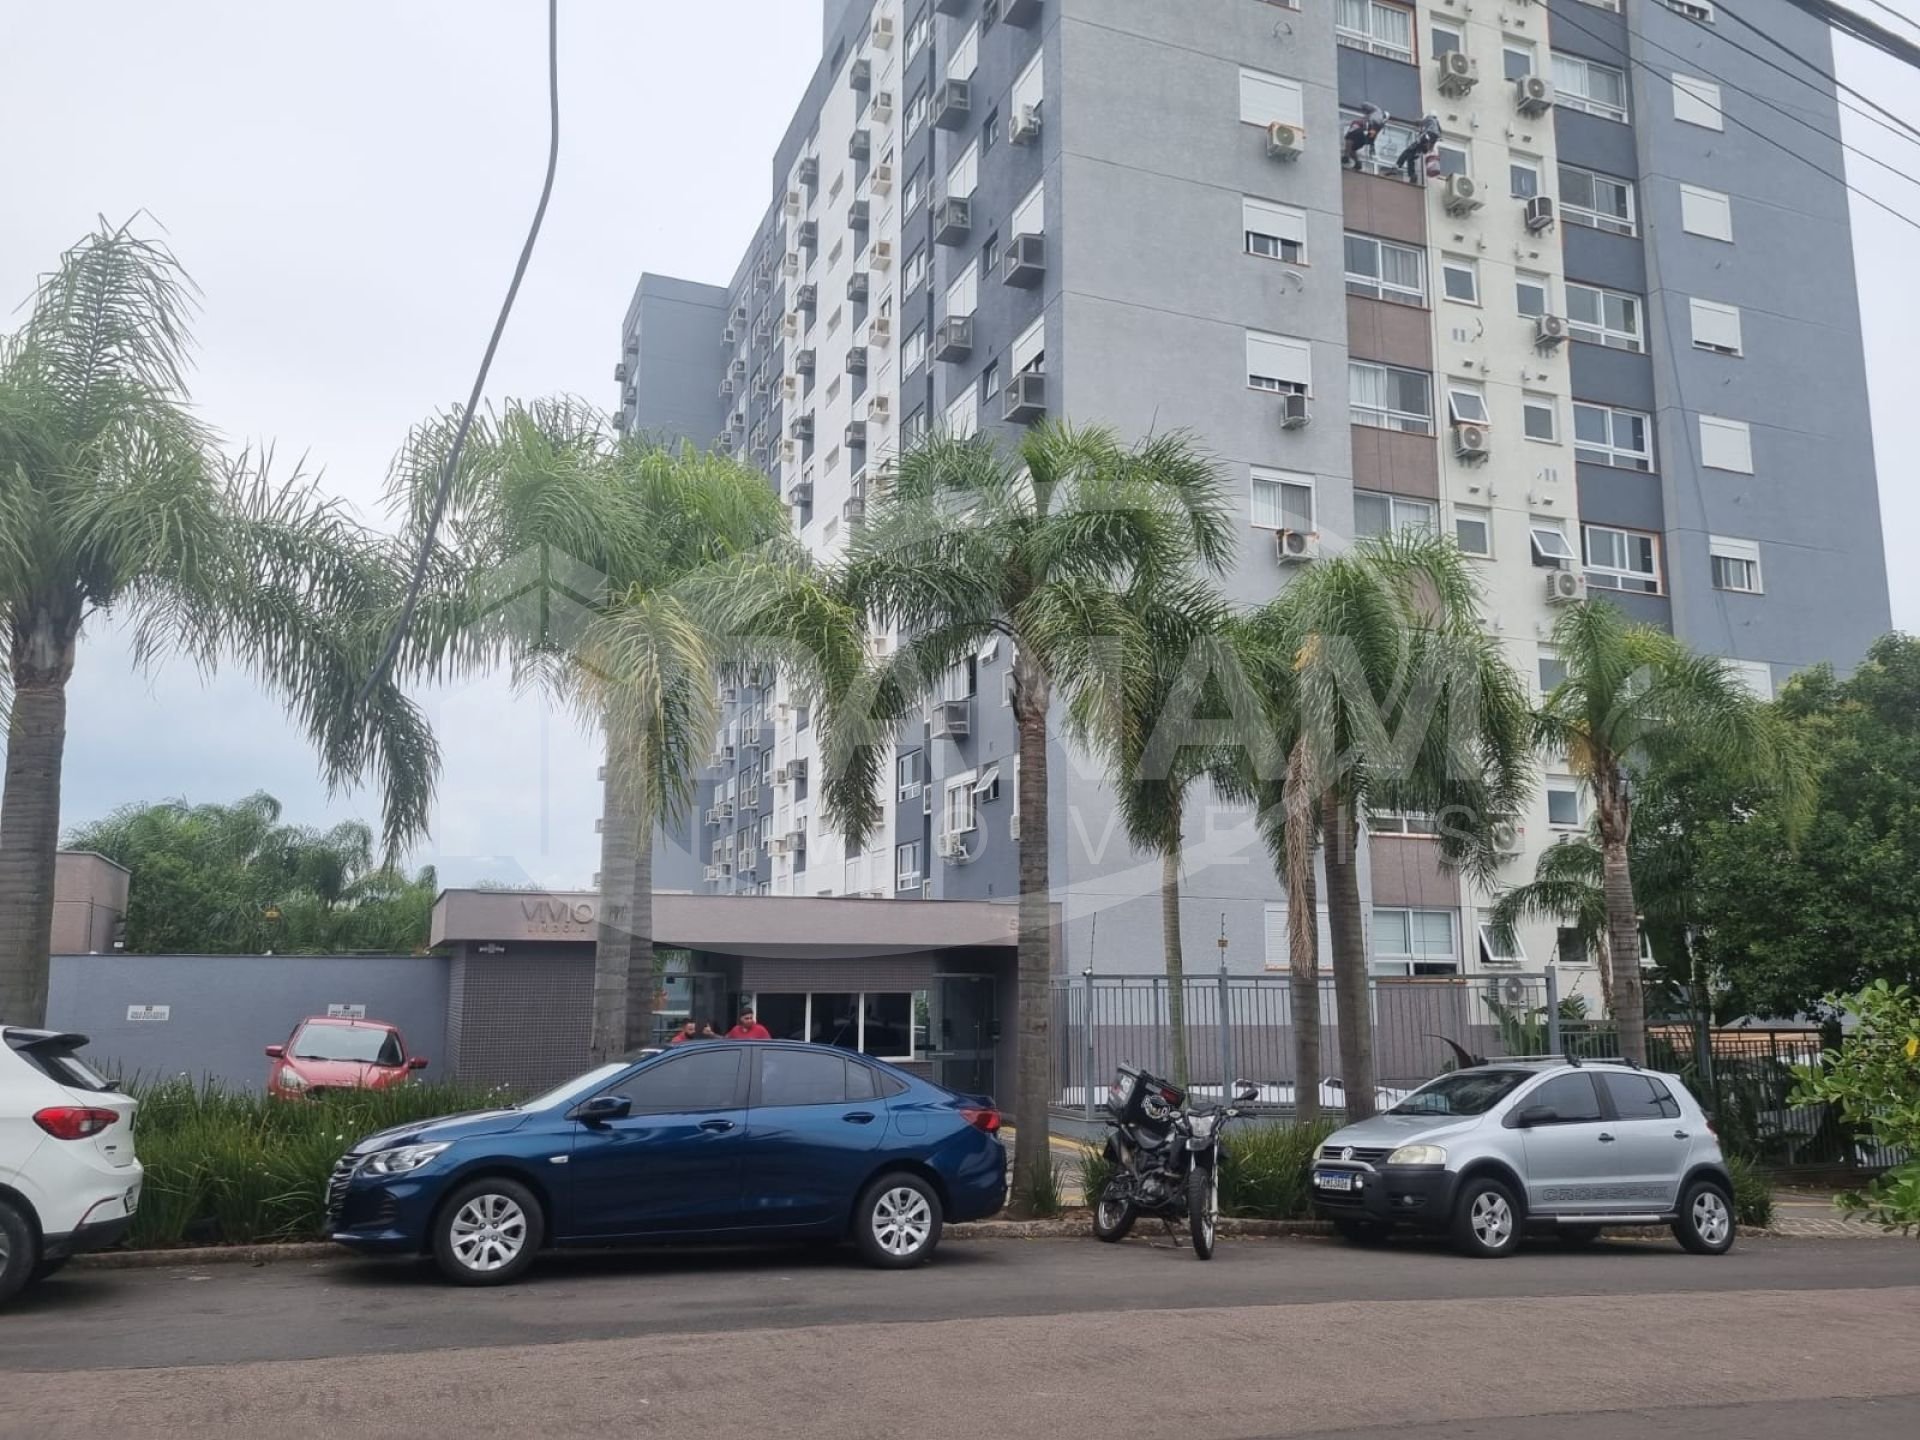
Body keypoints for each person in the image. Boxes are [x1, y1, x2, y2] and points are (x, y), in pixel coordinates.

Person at [1395, 114, 1442, 182]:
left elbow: (1421, 122)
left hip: (1425, 138)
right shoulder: (1437, 127)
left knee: (1408, 151)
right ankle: (1412, 175)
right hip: (1425, 146)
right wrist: (1429, 148)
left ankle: (1397, 166)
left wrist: (1416, 121)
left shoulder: (1430, 119)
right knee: (1411, 157)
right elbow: (1437, 137)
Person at [1341, 104, 1387, 170]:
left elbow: (1364, 104)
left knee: (1350, 135)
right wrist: (1370, 143)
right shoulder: (1379, 125)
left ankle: (1346, 157)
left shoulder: (1377, 112)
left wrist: (1365, 109)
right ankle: (1357, 163)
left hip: (1362, 128)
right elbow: (1372, 135)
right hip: (1364, 136)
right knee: (1352, 149)